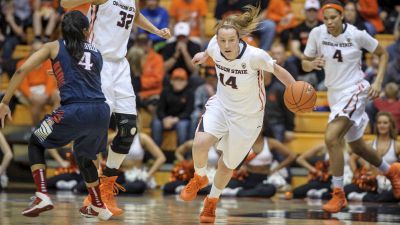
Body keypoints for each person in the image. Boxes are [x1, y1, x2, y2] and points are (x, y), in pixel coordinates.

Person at [179, 5, 296, 223]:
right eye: (222, 40)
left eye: (230, 40)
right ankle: (199, 176)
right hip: (222, 105)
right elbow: (209, 51)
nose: (226, 45)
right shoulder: (215, 45)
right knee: (199, 143)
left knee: (227, 165)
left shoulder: (255, 56)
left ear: (239, 38)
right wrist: (202, 55)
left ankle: (211, 202)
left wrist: (295, 87)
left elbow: (278, 70)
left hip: (248, 117)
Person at [60, 0, 171, 216]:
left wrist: (156, 30)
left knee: (129, 129)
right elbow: (66, 3)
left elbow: (135, 16)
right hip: (96, 62)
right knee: (95, 129)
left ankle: (107, 186)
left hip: (121, 65)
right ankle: (93, 193)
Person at [0, 11, 113, 220]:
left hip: (74, 109)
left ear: (62, 30)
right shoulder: (96, 52)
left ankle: (42, 195)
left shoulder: (54, 46)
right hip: (100, 111)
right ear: (86, 31)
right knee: (84, 156)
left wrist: (5, 102)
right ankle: (98, 205)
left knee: (36, 141)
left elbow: (21, 70)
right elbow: (85, 74)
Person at [301, 0, 400, 213]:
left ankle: (338, 194)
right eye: (325, 18)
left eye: (333, 18)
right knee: (357, 147)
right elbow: (304, 61)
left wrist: (378, 81)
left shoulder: (357, 34)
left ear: (342, 16)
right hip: (335, 95)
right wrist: (311, 64)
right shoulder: (317, 33)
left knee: (331, 138)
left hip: (355, 89)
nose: (329, 22)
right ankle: (391, 171)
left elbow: (383, 54)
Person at [222, 129, 296, 198]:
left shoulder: (271, 142)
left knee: (270, 189)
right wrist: (241, 166)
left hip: (263, 178)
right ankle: (245, 192)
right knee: (221, 185)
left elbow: (292, 156)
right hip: (247, 177)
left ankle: (237, 192)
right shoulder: (244, 141)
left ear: (263, 127)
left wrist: (276, 169)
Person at [345, 112, 400, 202]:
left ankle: (362, 197)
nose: (382, 125)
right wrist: (357, 175)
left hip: (388, 183)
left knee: (394, 195)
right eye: (379, 123)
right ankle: (371, 197)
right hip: (371, 182)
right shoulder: (369, 144)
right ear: (376, 125)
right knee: (346, 189)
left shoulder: (396, 145)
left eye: (385, 123)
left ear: (391, 125)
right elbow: (352, 159)